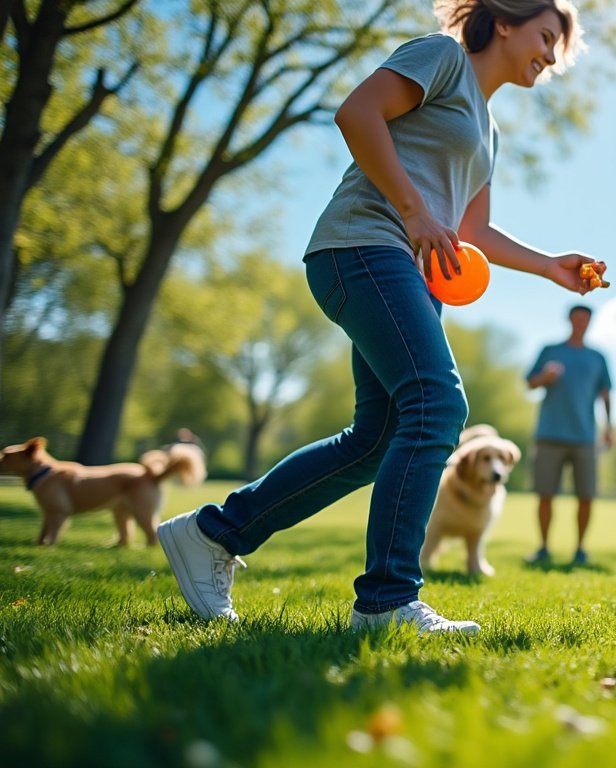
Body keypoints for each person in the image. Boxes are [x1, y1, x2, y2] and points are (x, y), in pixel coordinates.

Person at [156, 0, 593, 634]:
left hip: (407, 274)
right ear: (504, 20)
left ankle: (212, 534)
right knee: (437, 406)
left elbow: (474, 230)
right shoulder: (442, 58)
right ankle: (387, 601)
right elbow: (357, 113)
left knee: (375, 440)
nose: (550, 57)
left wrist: (549, 265)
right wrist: (414, 211)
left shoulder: (488, 130)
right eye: (546, 36)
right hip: (364, 246)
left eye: (558, 48)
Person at [524, 304, 612, 566]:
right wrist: (546, 377)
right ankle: (543, 547)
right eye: (577, 318)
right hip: (549, 434)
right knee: (545, 494)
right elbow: (530, 382)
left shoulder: (597, 357)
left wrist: (609, 428)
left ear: (590, 322)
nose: (580, 323)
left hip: (585, 437)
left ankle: (580, 549)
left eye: (585, 319)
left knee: (586, 495)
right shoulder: (550, 351)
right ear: (569, 320)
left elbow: (605, 394)